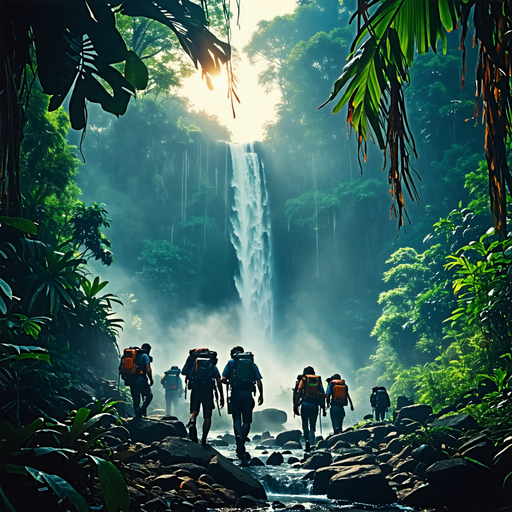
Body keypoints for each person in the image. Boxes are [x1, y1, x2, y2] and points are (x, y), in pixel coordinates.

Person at [221, 346, 263, 461]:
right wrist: (261, 395)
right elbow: (259, 380)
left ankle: (238, 438)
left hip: (235, 395)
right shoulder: (251, 364)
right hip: (248, 395)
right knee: (247, 421)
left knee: (237, 420)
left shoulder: (230, 363)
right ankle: (243, 438)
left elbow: (223, 379)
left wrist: (231, 381)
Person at [182, 348, 224, 445]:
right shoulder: (211, 364)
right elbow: (218, 380)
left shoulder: (193, 363)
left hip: (196, 390)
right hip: (208, 391)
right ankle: (204, 439)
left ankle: (192, 421)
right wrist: (221, 395)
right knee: (207, 416)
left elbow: (184, 372)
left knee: (194, 410)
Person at [293, 366, 326, 452]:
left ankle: (307, 442)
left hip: (305, 404)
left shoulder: (303, 380)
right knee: (312, 425)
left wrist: (295, 405)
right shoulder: (318, 380)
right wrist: (323, 407)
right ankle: (313, 443)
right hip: (315, 406)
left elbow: (298, 392)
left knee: (305, 424)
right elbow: (322, 393)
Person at [129, 343, 154, 419]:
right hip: (141, 379)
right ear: (148, 350)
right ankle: (142, 409)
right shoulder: (145, 356)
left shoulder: (133, 355)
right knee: (149, 395)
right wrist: (151, 379)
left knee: (136, 399)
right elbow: (148, 369)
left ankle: (137, 415)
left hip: (132, 380)